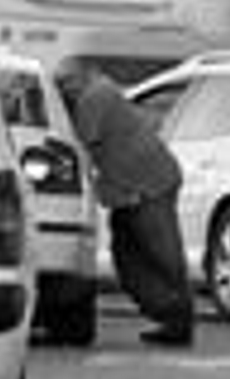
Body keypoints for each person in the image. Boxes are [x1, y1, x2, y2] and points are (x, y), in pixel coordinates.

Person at [55, 58, 194, 346]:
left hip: (145, 185)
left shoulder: (94, 98)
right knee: (137, 251)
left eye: (65, 83)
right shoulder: (102, 91)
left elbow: (82, 145)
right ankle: (171, 315)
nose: (63, 90)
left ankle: (175, 315)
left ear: (82, 77)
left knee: (154, 254)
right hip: (141, 183)